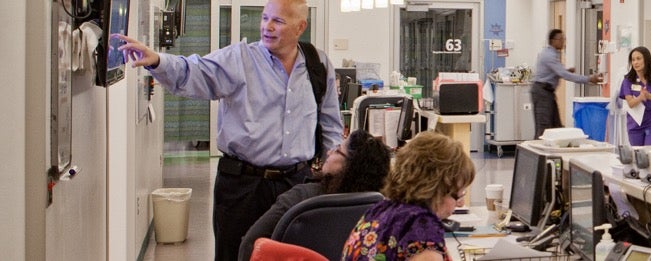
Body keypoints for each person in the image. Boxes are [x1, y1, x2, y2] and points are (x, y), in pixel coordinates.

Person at [112, 0, 343, 259]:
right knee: (234, 254)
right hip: (243, 186)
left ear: (300, 27)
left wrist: (329, 172)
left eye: (277, 21)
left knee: (292, 255)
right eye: (265, 18)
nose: (267, 26)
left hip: (296, 183)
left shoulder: (318, 64)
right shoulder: (239, 59)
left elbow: (330, 122)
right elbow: (194, 71)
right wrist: (157, 61)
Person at [238, 130, 391, 261]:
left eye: (337, 150)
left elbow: (250, 244)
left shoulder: (301, 197)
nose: (329, 152)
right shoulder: (378, 207)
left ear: (350, 168)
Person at [341, 132, 475, 261]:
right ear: (436, 190)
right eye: (458, 195)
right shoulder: (422, 229)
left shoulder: (378, 210)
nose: (461, 204)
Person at [533, 29, 604, 137]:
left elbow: (558, 71)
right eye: (561, 39)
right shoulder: (549, 56)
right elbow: (564, 75)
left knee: (555, 125)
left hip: (546, 92)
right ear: (553, 41)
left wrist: (564, 71)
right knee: (544, 127)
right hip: (542, 92)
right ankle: (539, 153)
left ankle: (555, 152)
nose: (563, 42)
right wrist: (589, 79)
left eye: (564, 39)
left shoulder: (552, 53)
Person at [616, 46, 651, 146]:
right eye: (633, 60)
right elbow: (631, 103)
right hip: (635, 125)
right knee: (639, 155)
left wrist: (649, 96)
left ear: (646, 59)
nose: (635, 62)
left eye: (638, 59)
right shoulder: (628, 81)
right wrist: (640, 98)